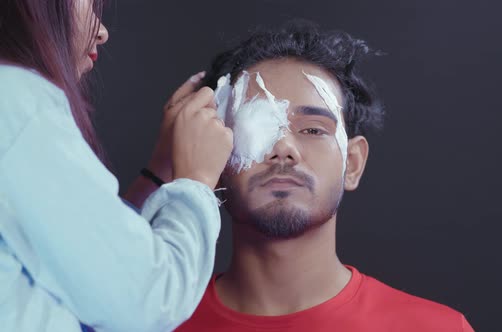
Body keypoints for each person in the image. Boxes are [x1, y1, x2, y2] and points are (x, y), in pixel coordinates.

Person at [177, 22, 475, 332]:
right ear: (213, 155)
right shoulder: (151, 322)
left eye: (313, 130)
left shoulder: (437, 328)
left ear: (354, 163)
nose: (283, 148)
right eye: (256, 128)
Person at [0, 0, 233, 331]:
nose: (103, 32)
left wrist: (159, 172)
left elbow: (83, 257)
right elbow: (149, 300)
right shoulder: (18, 104)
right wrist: (196, 183)